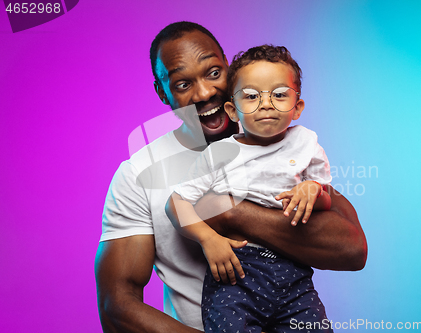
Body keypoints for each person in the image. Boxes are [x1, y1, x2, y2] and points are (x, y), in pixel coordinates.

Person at [95, 21, 367, 333]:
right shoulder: (139, 174)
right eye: (183, 84)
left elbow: (351, 249)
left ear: (230, 69)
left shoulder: (285, 142)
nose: (204, 92)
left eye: (213, 73)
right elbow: (117, 307)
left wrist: (233, 213)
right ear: (162, 92)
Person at [166, 44, 334, 332]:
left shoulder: (306, 143)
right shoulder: (220, 154)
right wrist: (208, 239)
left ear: (298, 107)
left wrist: (313, 191)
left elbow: (327, 199)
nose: (266, 104)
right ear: (233, 110)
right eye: (252, 96)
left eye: (279, 95)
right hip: (238, 271)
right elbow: (176, 203)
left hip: (294, 274)